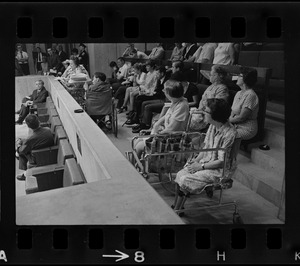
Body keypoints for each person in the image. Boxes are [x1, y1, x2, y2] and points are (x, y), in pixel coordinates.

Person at [173, 98, 237, 212]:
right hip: (207, 162)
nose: (203, 113)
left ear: (215, 115)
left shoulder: (230, 133)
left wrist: (200, 166)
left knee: (185, 178)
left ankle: (177, 210)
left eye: (206, 111)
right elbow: (206, 148)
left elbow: (222, 162)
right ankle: (178, 207)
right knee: (181, 172)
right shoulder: (212, 125)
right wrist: (196, 161)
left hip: (220, 170)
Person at [134, 80, 190, 158]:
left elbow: (172, 129)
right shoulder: (175, 101)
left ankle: (138, 166)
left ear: (169, 93)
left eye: (164, 90)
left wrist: (156, 133)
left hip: (172, 138)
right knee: (137, 141)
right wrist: (157, 124)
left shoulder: (182, 106)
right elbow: (167, 115)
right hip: (165, 135)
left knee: (139, 146)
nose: (163, 92)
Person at [130, 66, 169, 132]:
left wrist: (151, 93)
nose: (156, 75)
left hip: (161, 98)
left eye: (158, 73)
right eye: (156, 73)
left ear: (162, 74)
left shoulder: (166, 81)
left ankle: (145, 124)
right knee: (140, 99)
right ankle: (139, 120)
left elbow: (162, 94)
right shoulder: (159, 79)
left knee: (146, 105)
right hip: (155, 95)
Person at [15, 114, 54, 181]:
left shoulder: (30, 139)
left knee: (20, 151)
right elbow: (36, 140)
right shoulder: (48, 130)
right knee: (23, 146)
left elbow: (22, 150)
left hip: (37, 158)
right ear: (39, 121)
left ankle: (25, 174)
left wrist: (18, 145)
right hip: (49, 154)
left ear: (28, 126)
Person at [124, 60, 159, 125]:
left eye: (148, 66)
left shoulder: (155, 74)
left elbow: (154, 86)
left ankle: (136, 116)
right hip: (145, 89)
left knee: (138, 97)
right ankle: (134, 114)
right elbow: (145, 84)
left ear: (152, 66)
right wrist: (142, 89)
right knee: (135, 96)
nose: (146, 67)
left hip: (150, 92)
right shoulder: (148, 74)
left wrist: (145, 90)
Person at [229, 67, 259, 140]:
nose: (237, 77)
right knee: (216, 128)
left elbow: (242, 118)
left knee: (225, 135)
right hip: (235, 124)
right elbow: (232, 112)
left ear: (246, 79)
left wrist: (227, 121)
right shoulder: (238, 93)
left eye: (240, 76)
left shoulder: (251, 95)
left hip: (246, 128)